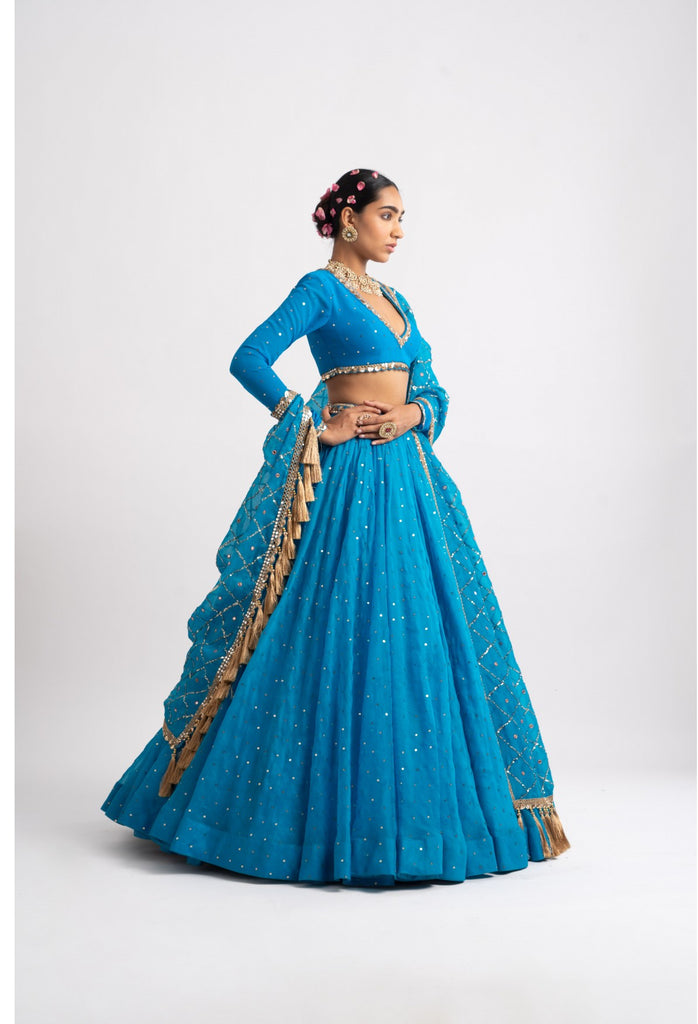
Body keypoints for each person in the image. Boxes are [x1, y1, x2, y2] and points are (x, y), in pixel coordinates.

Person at [101, 167, 570, 886]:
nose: (399, 230)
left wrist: (414, 413)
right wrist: (317, 423)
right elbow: (249, 358)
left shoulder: (397, 300)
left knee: (421, 628)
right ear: (349, 219)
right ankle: (286, 820)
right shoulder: (320, 289)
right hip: (346, 483)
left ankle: (421, 819)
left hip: (409, 480)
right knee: (330, 627)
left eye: (402, 217)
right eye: (388, 215)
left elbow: (431, 385)